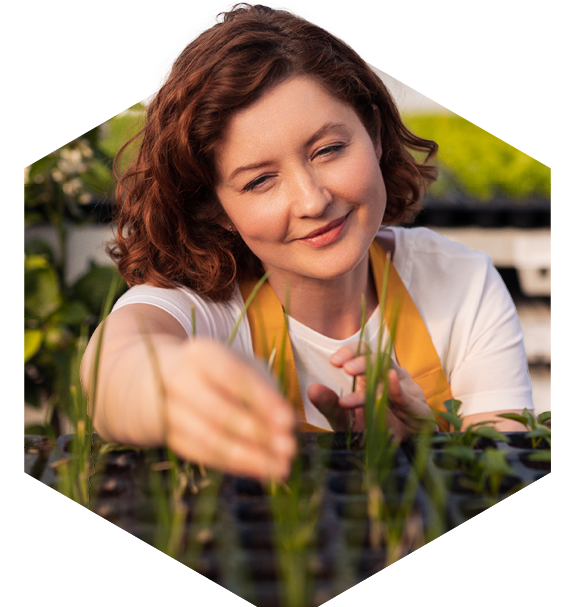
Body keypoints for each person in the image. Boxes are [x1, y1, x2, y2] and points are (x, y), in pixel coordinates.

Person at [80, 2, 533, 481]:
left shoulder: (461, 283)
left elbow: (506, 478)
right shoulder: (203, 307)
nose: (312, 200)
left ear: (374, 134)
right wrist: (170, 386)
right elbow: (116, 364)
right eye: (259, 181)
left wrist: (429, 448)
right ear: (215, 207)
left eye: (329, 150)